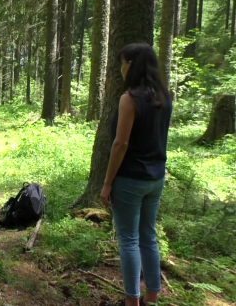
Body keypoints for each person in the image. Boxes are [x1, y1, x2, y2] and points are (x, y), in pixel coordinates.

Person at [100, 43, 172, 306]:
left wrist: (107, 183)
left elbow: (121, 144)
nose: (120, 68)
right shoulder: (164, 97)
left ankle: (132, 301)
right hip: (155, 178)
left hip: (130, 178)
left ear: (131, 64)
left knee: (129, 239)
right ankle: (151, 296)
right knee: (147, 237)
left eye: (122, 63)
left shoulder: (129, 99)